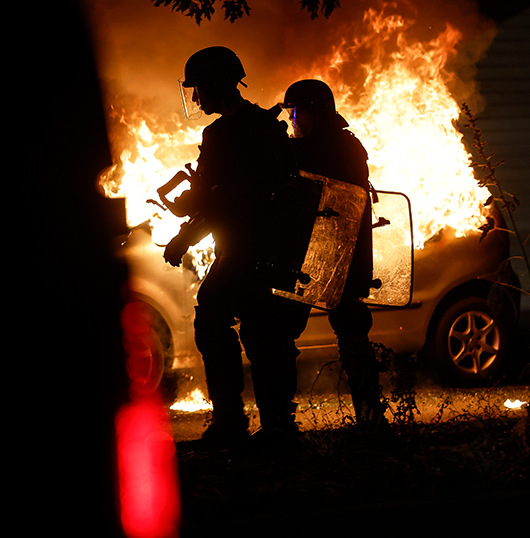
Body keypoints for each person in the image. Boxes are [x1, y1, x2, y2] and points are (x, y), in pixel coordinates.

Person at [163, 47, 309, 447]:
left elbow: (220, 202)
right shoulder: (267, 126)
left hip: (244, 248)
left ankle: (231, 421)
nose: (196, 99)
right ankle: (278, 424)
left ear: (214, 84)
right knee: (264, 333)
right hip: (276, 250)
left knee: (212, 318)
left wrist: (183, 235)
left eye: (198, 89)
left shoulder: (222, 134)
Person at [281, 79, 387, 423]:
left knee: (282, 330)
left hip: (326, 253)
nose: (294, 121)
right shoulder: (348, 145)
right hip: (335, 254)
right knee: (349, 329)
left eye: (296, 112)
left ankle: (282, 421)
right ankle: (371, 416)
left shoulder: (324, 149)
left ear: (314, 111)